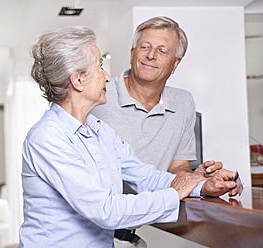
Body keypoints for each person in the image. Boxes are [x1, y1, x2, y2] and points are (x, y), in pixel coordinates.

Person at [18, 26, 239, 248]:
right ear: (77, 81)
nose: (107, 77)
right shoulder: (47, 138)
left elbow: (146, 177)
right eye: (100, 68)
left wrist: (202, 186)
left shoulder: (100, 130)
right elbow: (106, 211)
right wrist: (174, 193)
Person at [90, 16, 223, 246]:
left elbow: (177, 167)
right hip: (94, 228)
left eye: (162, 51)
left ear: (175, 64)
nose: (151, 56)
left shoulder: (184, 103)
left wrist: (194, 178)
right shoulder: (97, 97)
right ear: (132, 53)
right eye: (145, 47)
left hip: (137, 231)